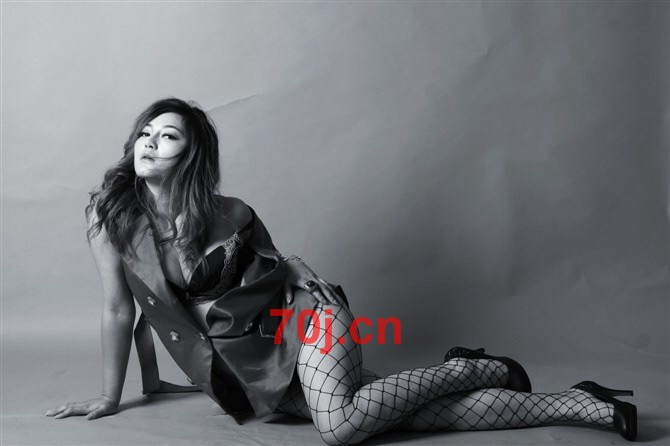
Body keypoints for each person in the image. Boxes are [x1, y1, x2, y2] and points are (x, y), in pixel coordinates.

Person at [45, 98, 638, 445]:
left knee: (340, 426)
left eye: (168, 135)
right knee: (405, 416)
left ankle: (469, 367)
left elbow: (281, 270)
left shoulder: (231, 212)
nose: (149, 142)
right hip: (249, 365)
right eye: (145, 132)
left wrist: (302, 271)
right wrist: (113, 394)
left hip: (306, 324)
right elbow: (122, 309)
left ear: (191, 153)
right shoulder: (110, 215)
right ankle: (578, 404)